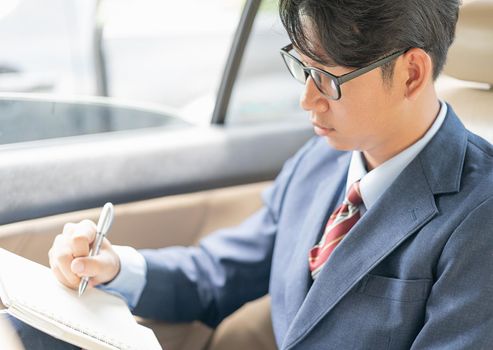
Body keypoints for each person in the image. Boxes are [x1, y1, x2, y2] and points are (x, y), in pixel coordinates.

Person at [12, 0, 493, 348]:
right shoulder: (320, 161)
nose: (307, 98)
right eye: (301, 68)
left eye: (327, 77)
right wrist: (115, 268)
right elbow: (219, 274)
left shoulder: (480, 216)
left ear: (411, 74)